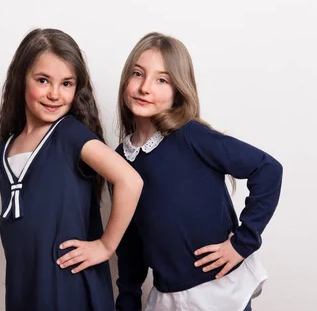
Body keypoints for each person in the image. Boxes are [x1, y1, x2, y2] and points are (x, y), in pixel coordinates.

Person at [115, 32, 282, 311]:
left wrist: (243, 242)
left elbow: (267, 169)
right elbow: (130, 238)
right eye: (138, 74)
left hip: (218, 290)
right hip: (168, 296)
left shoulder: (191, 136)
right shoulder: (121, 159)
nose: (145, 87)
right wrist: (128, 298)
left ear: (178, 90)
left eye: (162, 80)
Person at [0, 28, 143, 311]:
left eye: (66, 84)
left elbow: (130, 180)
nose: (54, 94)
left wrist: (105, 246)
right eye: (43, 80)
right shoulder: (6, 149)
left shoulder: (69, 134)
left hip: (69, 284)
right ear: (21, 79)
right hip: (25, 285)